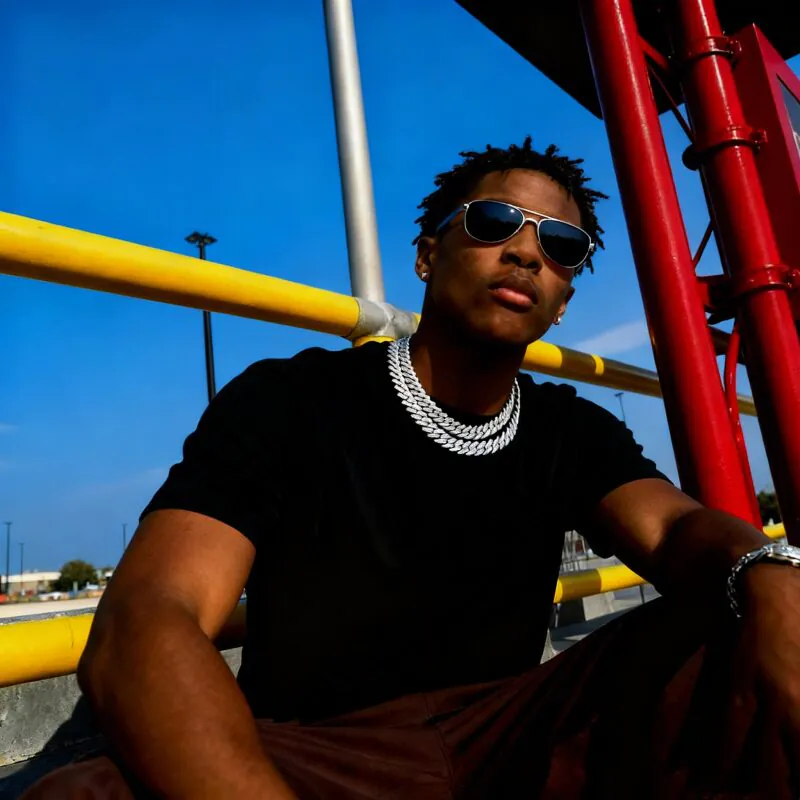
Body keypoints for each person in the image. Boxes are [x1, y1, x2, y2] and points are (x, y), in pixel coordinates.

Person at [22, 138, 800, 799]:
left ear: (563, 301)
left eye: (562, 247)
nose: (527, 251)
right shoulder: (294, 400)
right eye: (496, 222)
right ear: (429, 255)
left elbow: (674, 529)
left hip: (508, 735)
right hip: (318, 756)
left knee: (740, 619)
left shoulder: (569, 429)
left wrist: (766, 573)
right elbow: (147, 619)